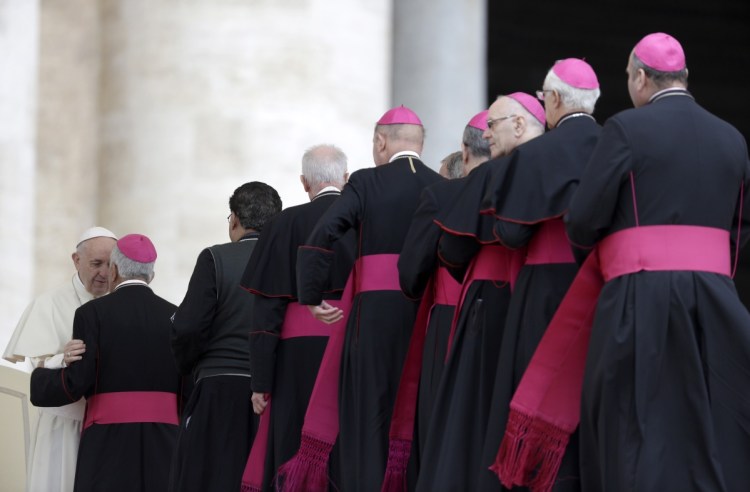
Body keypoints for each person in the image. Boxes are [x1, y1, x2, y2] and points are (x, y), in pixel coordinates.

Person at [494, 33, 750, 492]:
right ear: (685, 78)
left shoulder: (627, 129)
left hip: (637, 298)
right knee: (708, 417)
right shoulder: (731, 138)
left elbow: (585, 219)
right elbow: (740, 224)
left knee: (634, 421)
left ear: (639, 77)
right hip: (715, 301)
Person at [284, 105, 442, 492]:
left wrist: (312, 293)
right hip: (426, 313)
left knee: (367, 412)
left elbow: (325, 231)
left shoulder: (366, 183)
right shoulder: (440, 185)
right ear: (422, 143)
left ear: (380, 141)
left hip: (372, 316)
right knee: (420, 408)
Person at [479, 58, 602, 492]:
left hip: (545, 291)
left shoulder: (534, 153)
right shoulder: (613, 145)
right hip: (602, 290)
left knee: (537, 380)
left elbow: (511, 233)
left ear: (551, 100)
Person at [416, 94, 545, 492]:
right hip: (540, 300)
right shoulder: (555, 166)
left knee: (476, 404)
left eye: (493, 126)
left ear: (517, 125)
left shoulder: (486, 177)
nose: (489, 136)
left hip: (489, 301)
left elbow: (452, 248)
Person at [29, 234, 187, 492]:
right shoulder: (176, 315)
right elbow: (187, 381)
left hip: (108, 439)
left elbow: (78, 381)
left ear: (114, 271)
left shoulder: (91, 314)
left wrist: (41, 377)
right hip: (165, 438)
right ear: (152, 275)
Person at [383, 110, 491, 488]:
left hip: (449, 318)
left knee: (441, 421)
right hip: (502, 317)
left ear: (465, 151)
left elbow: (411, 271)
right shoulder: (515, 186)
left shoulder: (444, 192)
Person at [239, 146, 355, 492]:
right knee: (345, 443)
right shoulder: (364, 220)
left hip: (294, 359)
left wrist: (260, 382)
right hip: (351, 348)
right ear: (346, 179)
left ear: (305, 183)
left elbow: (266, 314)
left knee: (293, 444)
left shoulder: (283, 224)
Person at [169, 182, 282, 492]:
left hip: (217, 392)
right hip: (273, 397)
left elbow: (188, 327)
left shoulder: (215, 258)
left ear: (233, 219)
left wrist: (188, 368)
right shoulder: (291, 262)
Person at [3, 226, 117, 492]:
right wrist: (62, 358)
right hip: (63, 423)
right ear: (76, 261)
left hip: (107, 424)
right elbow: (37, 365)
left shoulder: (121, 303)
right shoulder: (49, 303)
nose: (103, 273)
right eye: (96, 263)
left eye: (110, 264)